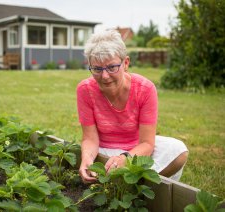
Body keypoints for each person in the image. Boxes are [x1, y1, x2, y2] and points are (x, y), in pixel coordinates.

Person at [77, 29, 188, 183]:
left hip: (136, 150)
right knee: (85, 155)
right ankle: (134, 182)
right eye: (97, 69)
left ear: (126, 63)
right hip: (103, 152)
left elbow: (147, 143)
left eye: (111, 67)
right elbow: (90, 139)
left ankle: (128, 182)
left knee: (177, 150)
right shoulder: (85, 90)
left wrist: (125, 158)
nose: (104, 76)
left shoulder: (145, 88)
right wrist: (87, 160)